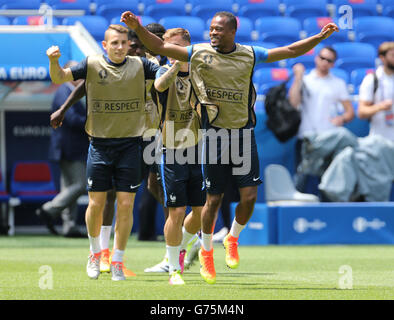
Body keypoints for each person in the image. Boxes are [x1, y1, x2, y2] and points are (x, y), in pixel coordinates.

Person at [121, 10, 338, 284]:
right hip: (212, 135)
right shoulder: (198, 52)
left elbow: (290, 50)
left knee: (248, 198)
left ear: (232, 31)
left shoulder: (250, 53)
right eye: (211, 28)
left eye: (218, 29)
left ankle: (232, 238)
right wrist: (137, 27)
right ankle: (207, 254)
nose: (212, 33)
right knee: (212, 200)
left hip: (243, 135)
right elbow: (160, 46)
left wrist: (319, 37)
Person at [46, 24, 160, 281]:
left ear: (128, 45)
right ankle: (95, 253)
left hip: (131, 145)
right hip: (99, 145)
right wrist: (54, 61)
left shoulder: (141, 65)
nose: (120, 47)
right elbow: (59, 78)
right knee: (96, 204)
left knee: (125, 204)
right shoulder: (92, 64)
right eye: (114, 43)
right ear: (105, 46)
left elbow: (164, 78)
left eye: (123, 43)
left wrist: (171, 66)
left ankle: (118, 259)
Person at [153, 27, 205, 285]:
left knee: (200, 211)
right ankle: (173, 267)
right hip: (172, 149)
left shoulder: (201, 72)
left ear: (185, 46)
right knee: (175, 210)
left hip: (199, 148)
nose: (167, 51)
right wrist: (175, 64)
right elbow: (160, 85)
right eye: (166, 47)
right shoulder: (164, 70)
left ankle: (184, 244)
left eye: (172, 46)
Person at [288, 46, 354, 192]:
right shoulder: (305, 80)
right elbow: (293, 103)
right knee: (301, 183)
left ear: (333, 64)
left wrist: (341, 119)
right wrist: (298, 77)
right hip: (306, 138)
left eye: (329, 60)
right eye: (322, 58)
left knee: (329, 184)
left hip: (329, 139)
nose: (324, 62)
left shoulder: (338, 83)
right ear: (316, 58)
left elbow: (350, 112)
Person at [36, 61, 88, 238]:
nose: (81, 78)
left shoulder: (69, 91)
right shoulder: (63, 92)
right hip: (68, 148)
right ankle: (49, 209)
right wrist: (93, 124)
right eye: (77, 74)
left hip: (71, 148)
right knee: (80, 185)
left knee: (69, 187)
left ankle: (69, 226)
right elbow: (72, 120)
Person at [358, 42, 394, 141]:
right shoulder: (372, 79)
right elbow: (361, 112)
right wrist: (380, 107)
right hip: (379, 140)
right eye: (392, 55)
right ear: (382, 58)